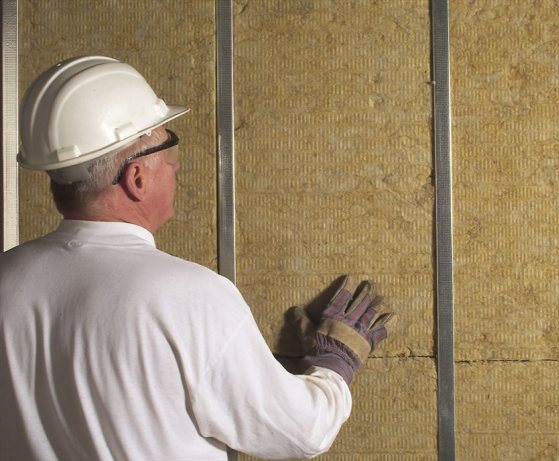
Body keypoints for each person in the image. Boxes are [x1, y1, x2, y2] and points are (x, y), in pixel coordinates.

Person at [0, 56, 394, 460]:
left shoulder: (6, 277)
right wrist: (335, 362)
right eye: (168, 147)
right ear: (137, 178)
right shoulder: (186, 296)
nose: (177, 165)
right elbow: (302, 432)